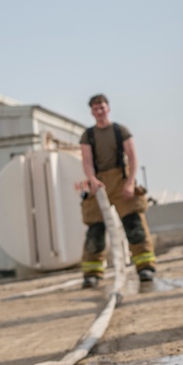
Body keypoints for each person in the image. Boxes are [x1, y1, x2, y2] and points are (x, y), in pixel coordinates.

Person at [79, 94, 157, 286]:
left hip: (121, 181)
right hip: (99, 184)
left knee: (134, 225)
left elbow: (132, 157)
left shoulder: (120, 130)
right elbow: (87, 161)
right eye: (96, 109)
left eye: (102, 107)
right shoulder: (88, 135)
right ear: (91, 111)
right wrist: (92, 180)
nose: (99, 111)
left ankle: (145, 267)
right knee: (95, 230)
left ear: (108, 108)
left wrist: (130, 183)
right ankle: (92, 273)